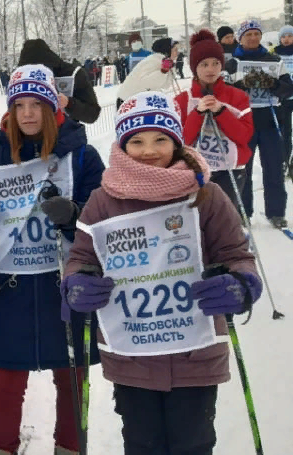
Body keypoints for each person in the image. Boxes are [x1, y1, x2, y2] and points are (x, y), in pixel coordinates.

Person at [62, 90, 261, 454]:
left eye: (160, 139)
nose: (148, 150)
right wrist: (76, 283)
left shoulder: (206, 195)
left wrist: (241, 284)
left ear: (176, 141)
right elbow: (80, 256)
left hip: (195, 354)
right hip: (132, 354)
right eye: (136, 141)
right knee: (141, 443)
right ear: (123, 146)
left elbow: (236, 253)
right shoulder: (103, 201)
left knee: (193, 443)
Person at [0, 64, 104, 455]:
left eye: (37, 104)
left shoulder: (81, 155)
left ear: (53, 106)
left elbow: (103, 223)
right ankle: (3, 448)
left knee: (71, 375)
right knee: (7, 377)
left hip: (64, 283)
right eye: (20, 105)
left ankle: (70, 446)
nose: (28, 114)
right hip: (7, 286)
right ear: (10, 110)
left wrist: (74, 215)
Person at [174, 30, 254, 207]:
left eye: (216, 63)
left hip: (230, 169)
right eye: (204, 64)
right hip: (195, 170)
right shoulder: (182, 100)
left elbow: (244, 136)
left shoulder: (238, 97)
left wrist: (221, 112)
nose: (211, 69)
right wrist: (198, 112)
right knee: (199, 219)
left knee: (225, 219)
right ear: (194, 67)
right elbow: (180, 141)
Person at [225, 19, 293, 228]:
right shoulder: (232, 62)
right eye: (248, 35)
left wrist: (273, 84)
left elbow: (288, 89)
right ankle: (243, 211)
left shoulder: (274, 59)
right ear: (241, 38)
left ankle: (276, 212)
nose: (253, 38)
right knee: (243, 168)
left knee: (273, 167)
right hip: (244, 121)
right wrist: (239, 87)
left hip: (271, 119)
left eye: (256, 34)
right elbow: (224, 92)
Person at [18, 38, 101, 124]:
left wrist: (69, 103)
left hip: (66, 134)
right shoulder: (20, 79)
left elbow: (92, 113)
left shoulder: (73, 74)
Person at [116, 37, 181, 108]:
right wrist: (163, 71)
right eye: (175, 50)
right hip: (126, 101)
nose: (177, 53)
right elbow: (145, 82)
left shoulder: (166, 62)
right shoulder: (154, 60)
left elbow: (166, 85)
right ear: (167, 51)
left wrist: (170, 69)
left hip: (138, 101)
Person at [274, 25, 293, 175]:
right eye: (283, 36)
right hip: (284, 99)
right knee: (285, 131)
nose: (286, 39)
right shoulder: (275, 54)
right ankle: (284, 161)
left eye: (289, 36)